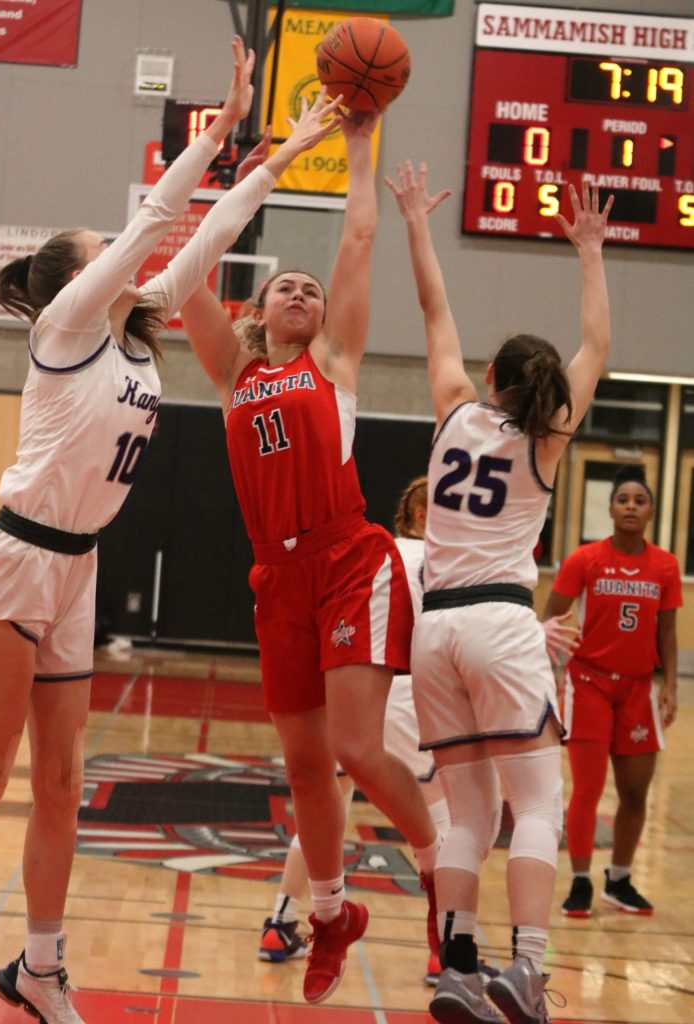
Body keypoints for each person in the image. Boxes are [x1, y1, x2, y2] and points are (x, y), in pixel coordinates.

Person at [0, 40, 342, 1024]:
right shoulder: (69, 325)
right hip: (14, 556)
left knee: (63, 786)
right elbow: (162, 220)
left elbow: (209, 235)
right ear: (79, 271)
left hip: (77, 571)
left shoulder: (135, 327)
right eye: (104, 246)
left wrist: (280, 151)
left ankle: (39, 966)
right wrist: (207, 138)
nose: (126, 255)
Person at [180, 113, 443, 1007]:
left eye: (309, 287)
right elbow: (183, 280)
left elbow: (360, 233)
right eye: (285, 286)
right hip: (275, 577)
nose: (300, 291)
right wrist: (242, 176)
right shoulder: (234, 377)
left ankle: (442, 874)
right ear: (258, 313)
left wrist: (361, 135)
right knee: (302, 765)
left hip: (347, 556)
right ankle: (330, 913)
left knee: (357, 747)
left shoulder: (334, 362)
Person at [386, 161, 613, 1024]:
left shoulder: (452, 408)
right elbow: (596, 346)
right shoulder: (548, 440)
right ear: (546, 391)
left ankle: (455, 969)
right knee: (539, 805)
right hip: (499, 620)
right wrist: (589, 252)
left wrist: (415, 220)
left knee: (467, 814)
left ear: (490, 377)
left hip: (432, 636)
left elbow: (433, 311)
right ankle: (524, 970)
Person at [257, 476, 451, 987]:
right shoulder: (447, 562)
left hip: (360, 685)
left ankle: (280, 920)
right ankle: (446, 947)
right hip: (409, 691)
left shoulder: (380, 556)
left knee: (327, 800)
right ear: (419, 517)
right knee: (439, 815)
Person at [543, 464, 681, 919]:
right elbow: (552, 616)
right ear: (610, 507)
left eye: (639, 501)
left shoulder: (664, 565)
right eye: (623, 499)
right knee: (587, 789)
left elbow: (668, 631)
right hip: (589, 685)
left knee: (636, 793)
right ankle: (580, 881)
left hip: (639, 689)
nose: (630, 507)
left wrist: (670, 687)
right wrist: (544, 668)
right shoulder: (586, 559)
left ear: (650, 512)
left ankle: (618, 880)